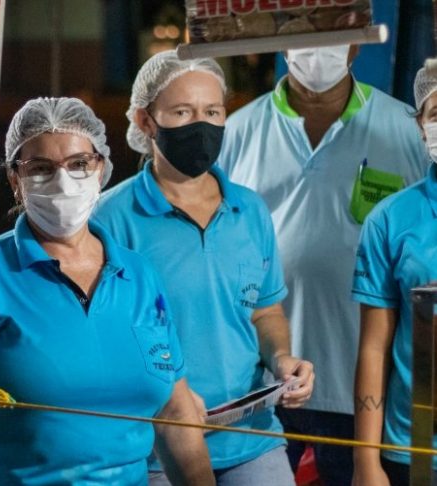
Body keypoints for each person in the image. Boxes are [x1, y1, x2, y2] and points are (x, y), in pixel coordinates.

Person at [0, 97, 215, 485]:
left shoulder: (139, 275)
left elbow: (175, 415)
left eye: (79, 164)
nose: (63, 181)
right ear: (15, 180)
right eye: (41, 168)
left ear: (101, 168)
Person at [93, 50, 314, 486]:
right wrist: (166, 396)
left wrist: (282, 359)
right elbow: (100, 335)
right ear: (145, 121)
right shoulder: (111, 220)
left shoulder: (249, 209)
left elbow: (264, 311)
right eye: (182, 112)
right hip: (155, 448)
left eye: (212, 111)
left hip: (251, 436)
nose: (201, 124)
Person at [217, 44, 429, 484]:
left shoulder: (402, 128)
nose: (317, 48)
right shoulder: (236, 132)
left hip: (364, 392)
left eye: (332, 32)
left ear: (357, 40)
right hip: (261, 383)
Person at [351, 66, 437, 486]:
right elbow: (373, 347)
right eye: (436, 113)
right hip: (415, 446)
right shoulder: (390, 219)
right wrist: (365, 461)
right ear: (421, 126)